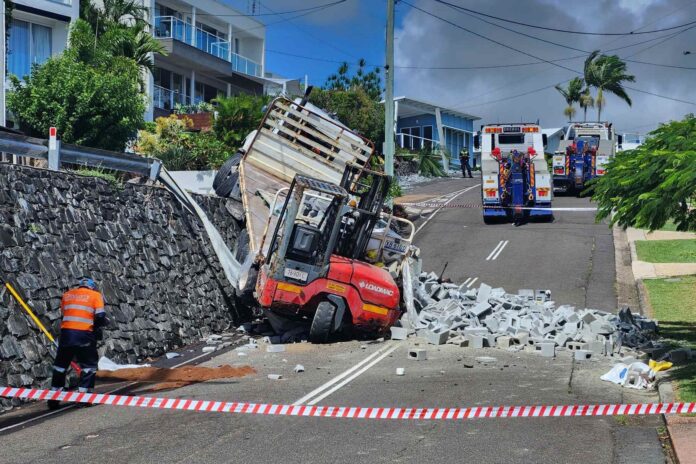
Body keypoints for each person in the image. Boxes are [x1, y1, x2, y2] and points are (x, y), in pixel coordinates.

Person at [48, 278, 106, 410]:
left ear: (80, 286)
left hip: (66, 335)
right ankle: (84, 397)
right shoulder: (95, 295)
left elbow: (64, 314)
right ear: (92, 287)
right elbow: (101, 316)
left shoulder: (67, 295)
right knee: (88, 366)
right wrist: (96, 327)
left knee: (60, 366)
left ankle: (54, 398)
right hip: (84, 334)